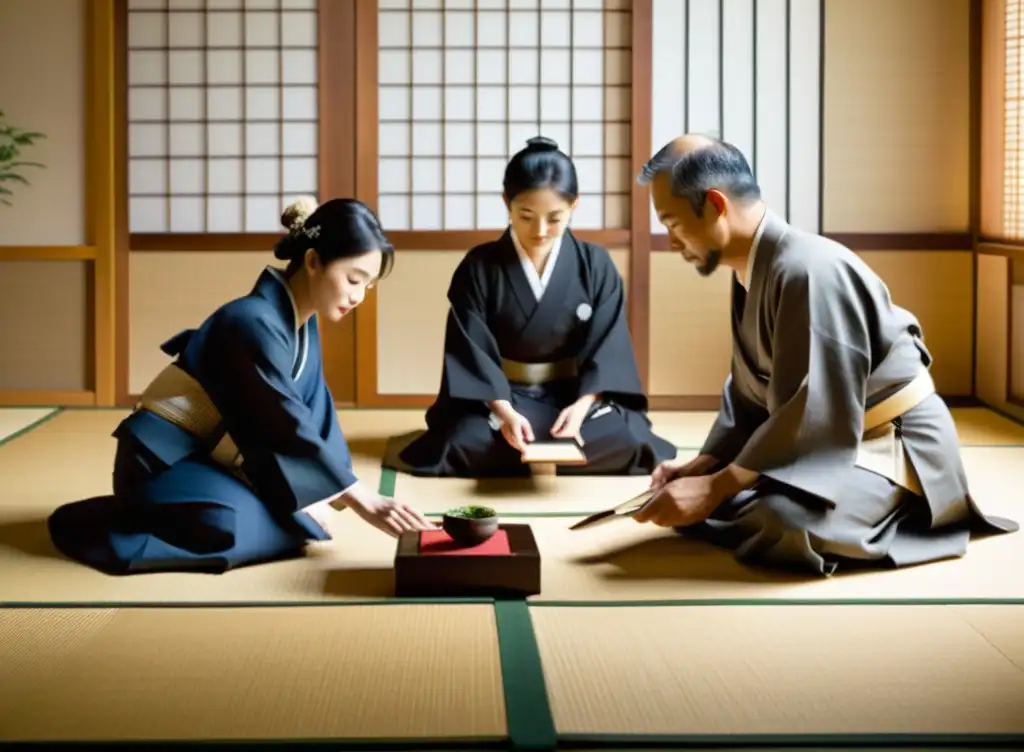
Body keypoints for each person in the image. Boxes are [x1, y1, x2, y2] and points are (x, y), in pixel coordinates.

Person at [632, 134, 1018, 575]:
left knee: (782, 520)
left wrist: (717, 486)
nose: (671, 242)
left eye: (673, 224)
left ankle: (907, 509)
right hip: (828, 436)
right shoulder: (753, 271)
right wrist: (705, 466)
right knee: (725, 501)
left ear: (716, 206)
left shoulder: (807, 269)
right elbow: (749, 393)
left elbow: (814, 406)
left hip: (890, 443)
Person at [48, 197, 436, 575]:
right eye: (353, 279)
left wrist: (335, 490)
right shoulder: (248, 321)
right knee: (235, 528)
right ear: (313, 261)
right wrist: (357, 497)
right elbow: (281, 423)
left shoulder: (301, 325)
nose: (358, 297)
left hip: (213, 461)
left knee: (297, 523)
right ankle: (111, 521)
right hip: (163, 461)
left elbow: (312, 413)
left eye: (367, 287)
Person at [390, 136, 676, 477]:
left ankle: (549, 443)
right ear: (506, 203)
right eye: (526, 216)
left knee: (630, 439)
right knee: (461, 440)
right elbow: (471, 351)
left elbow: (608, 349)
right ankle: (536, 444)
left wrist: (584, 406)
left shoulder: (595, 265)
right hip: (500, 397)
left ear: (574, 206)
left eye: (554, 218)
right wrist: (506, 411)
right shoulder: (480, 266)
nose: (540, 231)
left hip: (571, 397)